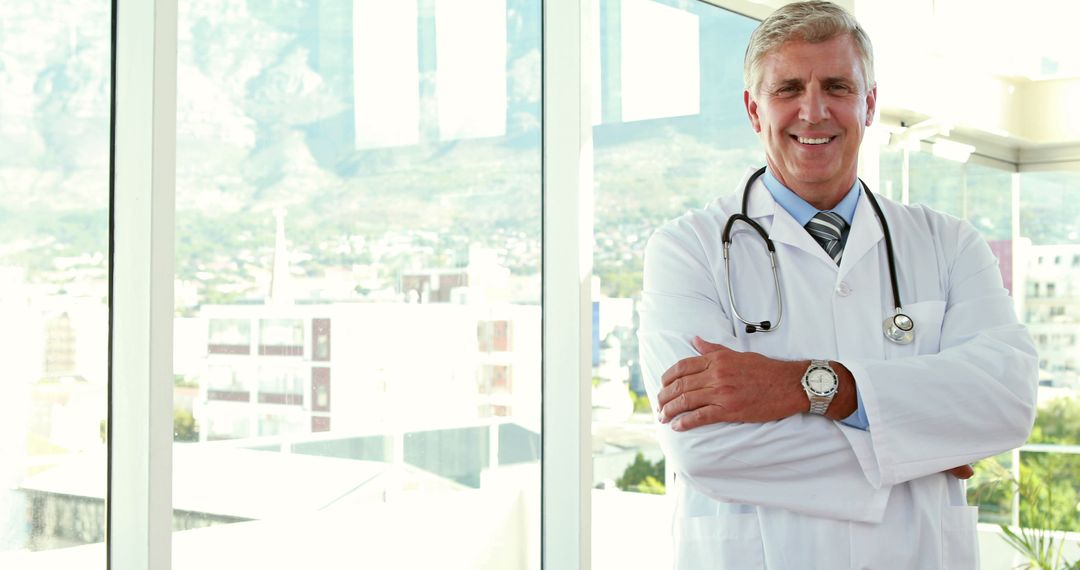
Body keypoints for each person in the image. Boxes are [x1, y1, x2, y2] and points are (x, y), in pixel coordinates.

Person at [636, 2, 1038, 568]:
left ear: (869, 103)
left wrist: (812, 386)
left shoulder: (948, 243)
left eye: (837, 86)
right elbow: (703, 447)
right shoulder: (688, 249)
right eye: (789, 89)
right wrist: (920, 436)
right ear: (755, 110)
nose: (813, 110)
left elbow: (1008, 400)